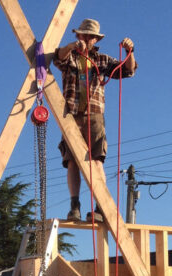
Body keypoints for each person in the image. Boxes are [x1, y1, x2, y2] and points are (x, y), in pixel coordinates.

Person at [52, 18, 137, 222]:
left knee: (96, 161)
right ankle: (75, 206)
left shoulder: (101, 60)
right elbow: (58, 57)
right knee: (71, 161)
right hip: (71, 116)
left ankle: (101, 205)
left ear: (95, 40)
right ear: (78, 35)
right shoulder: (70, 56)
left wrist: (129, 52)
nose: (87, 39)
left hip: (94, 115)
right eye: (83, 35)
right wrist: (73, 46)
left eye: (90, 37)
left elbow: (128, 70)